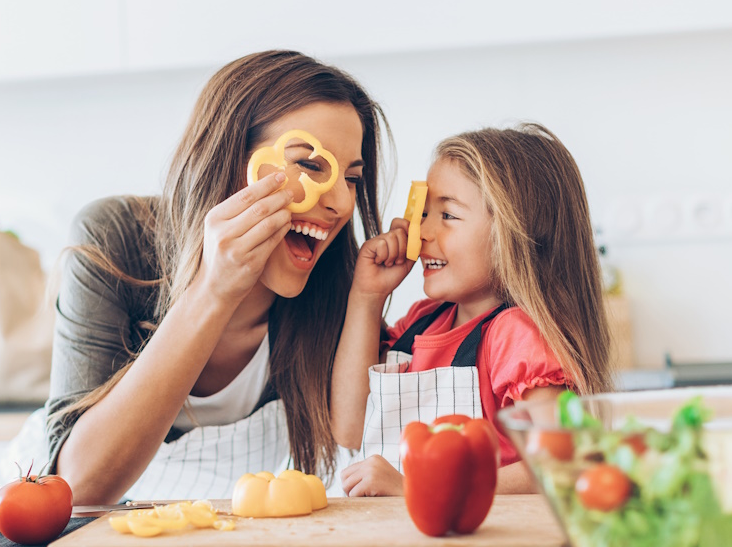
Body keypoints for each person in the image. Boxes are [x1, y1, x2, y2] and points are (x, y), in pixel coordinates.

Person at [46, 50, 390, 504]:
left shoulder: (338, 286)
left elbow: (353, 442)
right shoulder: (114, 238)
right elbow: (79, 489)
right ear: (228, 158)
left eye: (352, 178)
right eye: (309, 166)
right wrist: (213, 290)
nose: (342, 204)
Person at [329, 123, 613, 496]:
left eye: (447, 215)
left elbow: (563, 463)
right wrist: (366, 297)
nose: (422, 233)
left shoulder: (515, 336)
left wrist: (421, 486)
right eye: (424, 214)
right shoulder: (421, 323)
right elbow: (351, 428)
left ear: (513, 234)